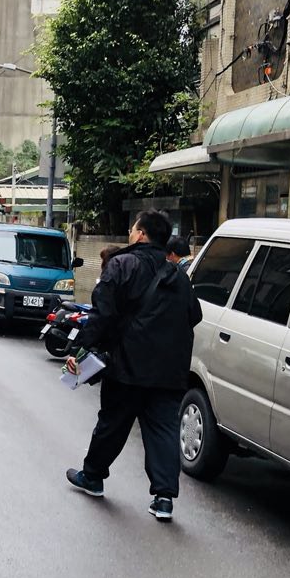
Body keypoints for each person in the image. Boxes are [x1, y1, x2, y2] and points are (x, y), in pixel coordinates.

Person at [65, 210, 203, 522]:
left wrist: (80, 348)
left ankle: (93, 476)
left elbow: (102, 314)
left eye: (133, 229)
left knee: (112, 423)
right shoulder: (179, 276)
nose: (130, 233)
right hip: (169, 370)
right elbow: (194, 316)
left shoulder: (122, 265)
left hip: (127, 365)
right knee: (163, 430)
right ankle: (164, 499)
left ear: (141, 234)